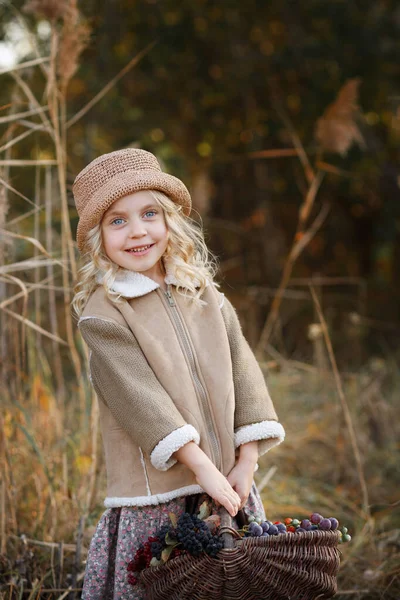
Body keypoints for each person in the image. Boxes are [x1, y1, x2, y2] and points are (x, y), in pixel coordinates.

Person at [71, 148, 285, 599]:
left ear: (170, 220)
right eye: (117, 220)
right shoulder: (104, 316)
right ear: (98, 238)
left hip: (227, 485)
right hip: (159, 499)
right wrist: (201, 467)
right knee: (165, 585)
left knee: (233, 581)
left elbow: (243, 371)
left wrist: (247, 461)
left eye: (149, 213)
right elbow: (142, 401)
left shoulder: (204, 294)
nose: (138, 231)